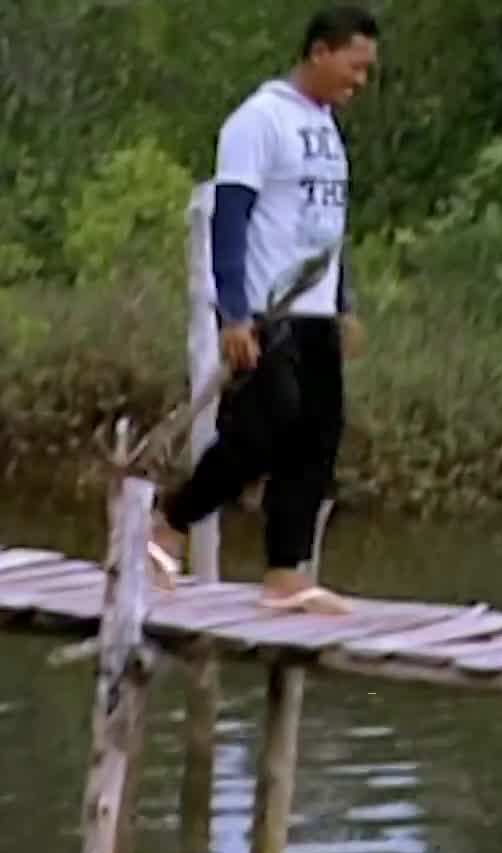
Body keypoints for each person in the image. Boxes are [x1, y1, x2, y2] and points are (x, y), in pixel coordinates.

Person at [150, 4, 380, 615]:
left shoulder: (326, 127)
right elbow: (231, 220)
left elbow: (327, 224)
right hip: (266, 309)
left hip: (316, 310)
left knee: (317, 439)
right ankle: (168, 523)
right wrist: (234, 314)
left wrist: (343, 302)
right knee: (260, 432)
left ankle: (285, 574)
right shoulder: (259, 120)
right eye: (354, 66)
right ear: (320, 52)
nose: (360, 81)